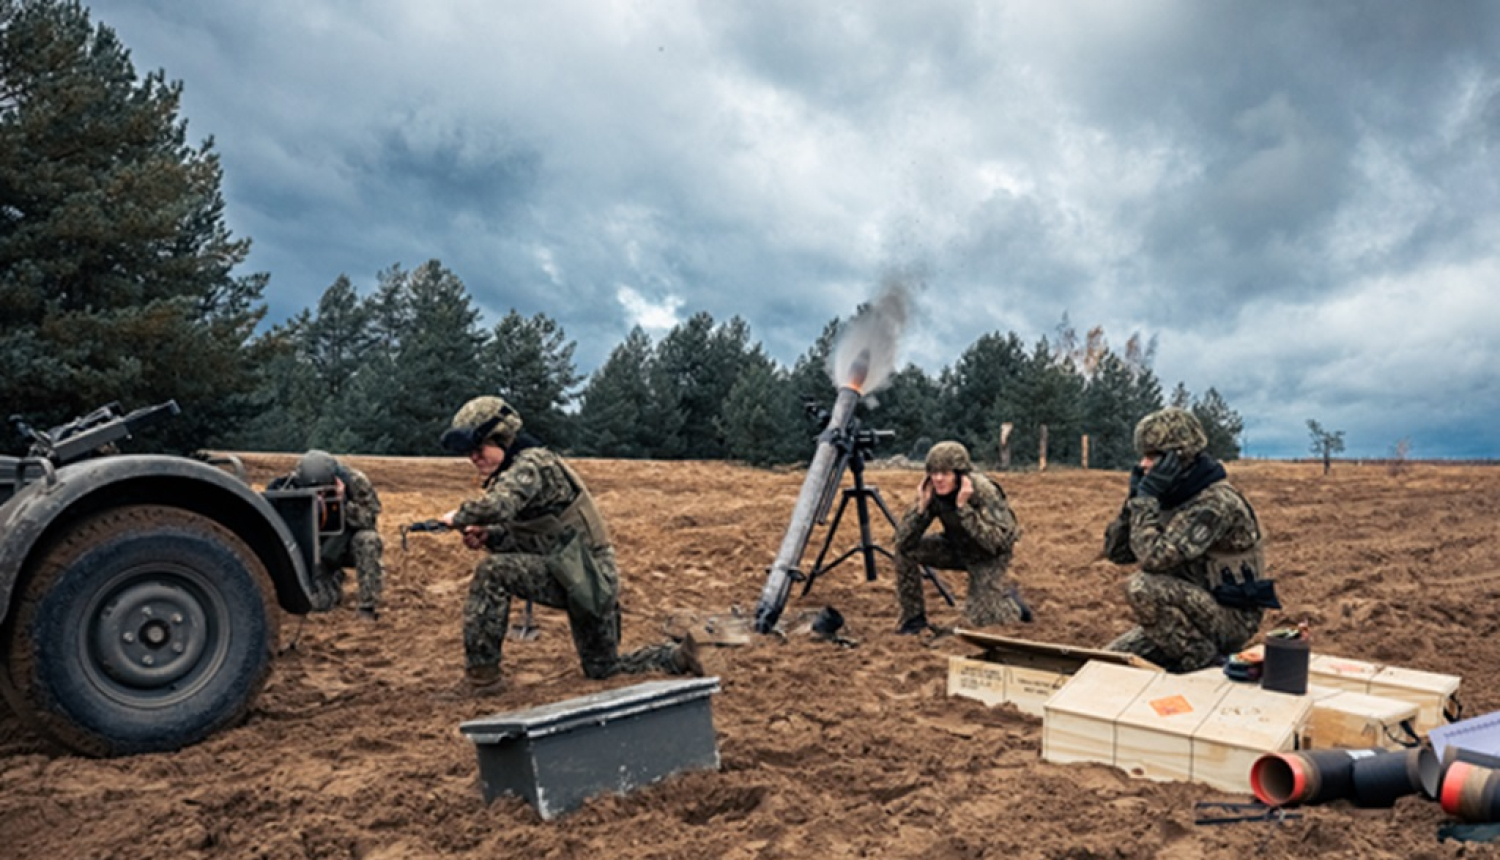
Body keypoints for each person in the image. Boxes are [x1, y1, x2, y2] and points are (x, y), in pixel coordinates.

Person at [437, 395, 702, 691]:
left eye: (480, 448)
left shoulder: (531, 464)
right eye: (469, 452)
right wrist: (491, 536)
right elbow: (532, 535)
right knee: (602, 668)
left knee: (493, 573)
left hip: (588, 576)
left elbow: (500, 507)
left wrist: (460, 516)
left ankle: (481, 680)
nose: (474, 458)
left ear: (504, 437)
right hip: (577, 572)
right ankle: (678, 657)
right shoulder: (518, 469)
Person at [1102, 407, 1279, 673]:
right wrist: (1133, 503)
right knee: (1105, 664)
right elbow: (1118, 553)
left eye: (1154, 457)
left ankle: (1203, 659)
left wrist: (1146, 501)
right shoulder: (1172, 494)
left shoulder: (1215, 503)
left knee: (1141, 587)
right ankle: (1186, 652)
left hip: (1230, 616)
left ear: (1179, 458)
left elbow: (1153, 559)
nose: (1144, 465)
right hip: (1189, 611)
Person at [893, 440, 1028, 634]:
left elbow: (996, 542)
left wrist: (964, 509)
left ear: (960, 474)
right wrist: (921, 509)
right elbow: (902, 541)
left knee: (981, 619)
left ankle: (1012, 606)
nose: (938, 479)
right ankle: (913, 619)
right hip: (956, 548)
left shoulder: (984, 492)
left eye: (945, 473)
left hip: (988, 556)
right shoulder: (933, 491)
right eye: (933, 473)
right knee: (905, 551)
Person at [272, 449, 385, 620]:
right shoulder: (288, 485)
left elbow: (369, 519)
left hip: (343, 544)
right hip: (313, 549)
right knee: (318, 605)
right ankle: (332, 582)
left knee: (368, 540)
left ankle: (367, 606)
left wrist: (344, 503)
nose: (320, 495)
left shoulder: (355, 482)